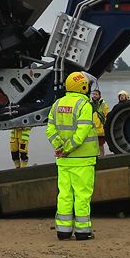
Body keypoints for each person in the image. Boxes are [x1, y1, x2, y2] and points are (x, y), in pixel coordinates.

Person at [44, 71, 98, 241]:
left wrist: (60, 147)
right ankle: (83, 232)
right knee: (82, 196)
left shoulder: (57, 104)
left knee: (64, 195)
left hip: (63, 161)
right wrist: (67, 148)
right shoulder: (84, 105)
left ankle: (63, 231)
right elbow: (81, 133)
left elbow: (50, 130)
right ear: (83, 86)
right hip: (83, 159)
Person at [90, 88, 110, 155]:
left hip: (100, 130)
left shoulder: (103, 105)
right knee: (92, 146)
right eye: (93, 94)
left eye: (96, 94)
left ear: (99, 95)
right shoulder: (89, 104)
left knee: (100, 146)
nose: (94, 96)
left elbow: (107, 116)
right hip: (92, 129)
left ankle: (102, 158)